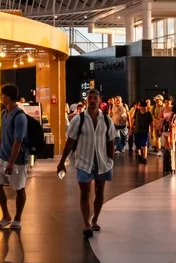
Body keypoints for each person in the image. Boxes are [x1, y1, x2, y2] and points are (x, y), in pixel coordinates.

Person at [57, 89, 115, 239]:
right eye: (90, 98)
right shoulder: (78, 119)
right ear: (87, 100)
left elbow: (111, 141)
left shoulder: (106, 120)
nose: (93, 100)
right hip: (84, 160)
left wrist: (110, 160)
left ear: (99, 100)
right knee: (85, 192)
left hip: (102, 161)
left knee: (100, 191)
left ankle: (94, 219)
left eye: (95, 98)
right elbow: (70, 141)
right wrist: (62, 161)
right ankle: (86, 224)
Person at [0, 83, 28, 231]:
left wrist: (11, 162)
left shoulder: (20, 117)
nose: (1, 97)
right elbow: (1, 133)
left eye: (2, 95)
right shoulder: (4, 113)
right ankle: (6, 215)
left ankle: (17, 218)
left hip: (17, 160)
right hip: (1, 157)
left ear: (8, 97)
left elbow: (18, 141)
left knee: (19, 188)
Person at [129, 99, 151, 165]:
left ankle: (145, 158)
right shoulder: (137, 112)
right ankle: (139, 155)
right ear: (139, 107)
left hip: (145, 131)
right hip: (137, 131)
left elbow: (151, 123)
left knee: (145, 144)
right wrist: (131, 129)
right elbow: (133, 121)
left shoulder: (148, 113)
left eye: (144, 107)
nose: (143, 108)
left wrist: (151, 130)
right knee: (138, 144)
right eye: (141, 107)